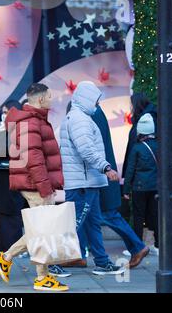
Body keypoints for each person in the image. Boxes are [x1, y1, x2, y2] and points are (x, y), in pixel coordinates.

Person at [0, 83, 69, 292]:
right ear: (41, 99)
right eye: (50, 96)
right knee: (42, 230)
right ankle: (41, 277)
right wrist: (45, 187)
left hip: (36, 183)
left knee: (40, 229)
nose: (51, 100)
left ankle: (7, 257)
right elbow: (33, 159)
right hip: (35, 184)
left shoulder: (35, 120)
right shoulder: (31, 122)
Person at [59, 81, 126, 276]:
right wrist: (106, 167)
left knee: (91, 223)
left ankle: (102, 261)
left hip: (87, 182)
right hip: (83, 183)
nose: (97, 105)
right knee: (74, 225)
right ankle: (53, 261)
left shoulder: (79, 117)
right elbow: (86, 149)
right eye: (96, 101)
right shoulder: (80, 119)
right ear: (88, 99)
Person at [91, 104, 150, 268]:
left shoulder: (92, 115)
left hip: (98, 177)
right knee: (102, 215)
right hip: (101, 176)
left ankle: (136, 247)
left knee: (106, 215)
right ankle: (93, 257)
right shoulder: (97, 114)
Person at [123, 113, 159, 255]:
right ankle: (157, 245)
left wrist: (125, 189)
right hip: (155, 187)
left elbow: (130, 170)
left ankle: (137, 246)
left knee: (138, 216)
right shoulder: (159, 146)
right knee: (155, 215)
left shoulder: (137, 148)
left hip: (139, 187)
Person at [0, 101, 25, 252]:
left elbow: (6, 151)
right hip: (1, 177)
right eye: (3, 112)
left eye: (8, 112)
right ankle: (3, 247)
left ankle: (13, 248)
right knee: (2, 212)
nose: (4, 115)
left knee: (12, 212)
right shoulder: (1, 128)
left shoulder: (19, 130)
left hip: (13, 176)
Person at [120, 93, 157, 222]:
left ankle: (140, 242)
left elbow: (131, 163)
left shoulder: (143, 121)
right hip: (153, 182)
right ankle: (153, 241)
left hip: (140, 182)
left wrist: (126, 187)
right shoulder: (150, 117)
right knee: (152, 214)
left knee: (139, 216)